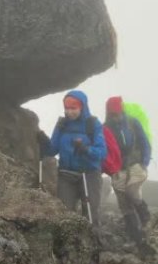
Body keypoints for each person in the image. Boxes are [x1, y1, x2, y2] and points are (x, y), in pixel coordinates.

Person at [38, 91, 107, 224]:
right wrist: (45, 143)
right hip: (66, 175)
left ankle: (93, 240)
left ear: (82, 107)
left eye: (73, 108)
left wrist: (86, 149)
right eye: (67, 108)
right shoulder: (62, 124)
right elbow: (52, 150)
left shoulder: (92, 124)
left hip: (89, 174)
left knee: (90, 213)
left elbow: (102, 152)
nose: (69, 112)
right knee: (65, 214)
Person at [104, 96, 152, 250]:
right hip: (118, 169)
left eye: (117, 113)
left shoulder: (132, 122)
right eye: (113, 114)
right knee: (124, 203)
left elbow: (144, 142)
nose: (116, 117)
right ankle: (136, 237)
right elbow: (105, 151)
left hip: (136, 165)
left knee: (132, 191)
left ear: (122, 110)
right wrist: (110, 170)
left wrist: (144, 162)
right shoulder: (105, 128)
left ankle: (145, 218)